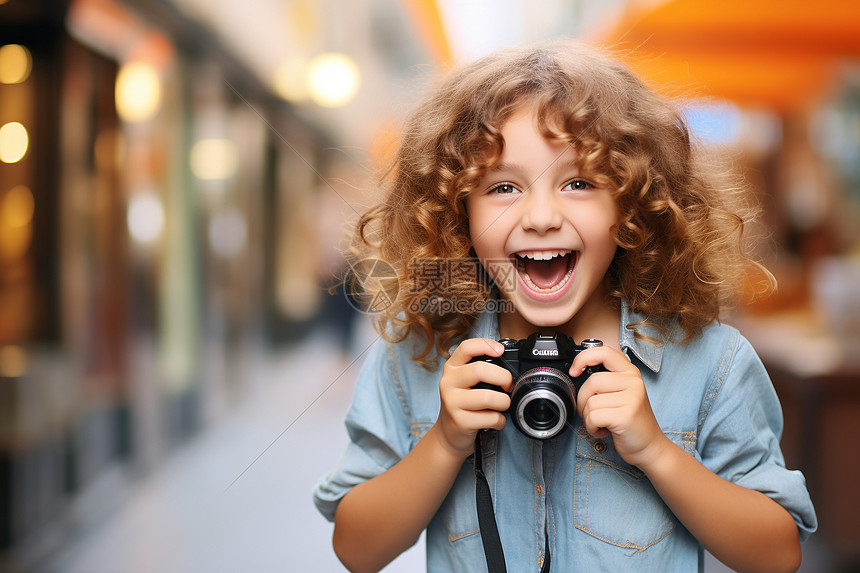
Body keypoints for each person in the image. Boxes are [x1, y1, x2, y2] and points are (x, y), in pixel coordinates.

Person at [313, 40, 817, 573]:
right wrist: (444, 442)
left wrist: (655, 450)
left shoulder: (709, 363)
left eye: (579, 183)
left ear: (632, 205)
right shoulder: (418, 356)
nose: (541, 216)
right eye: (503, 187)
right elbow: (357, 549)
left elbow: (777, 556)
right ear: (458, 213)